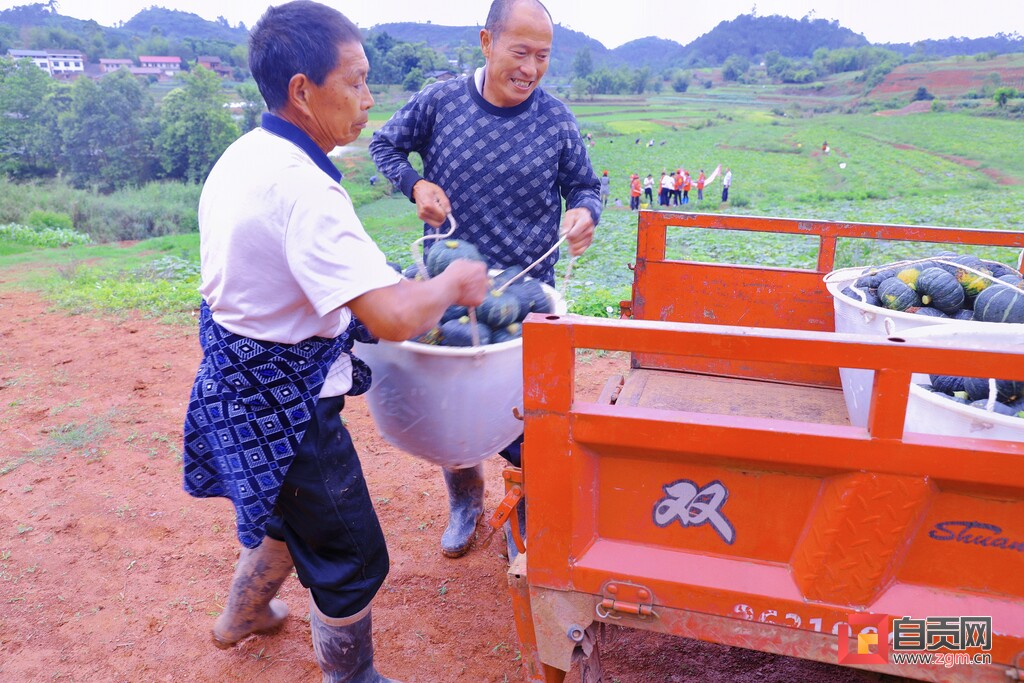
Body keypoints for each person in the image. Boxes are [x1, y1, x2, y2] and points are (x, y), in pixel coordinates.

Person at [181, 2, 489, 680]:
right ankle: (350, 674)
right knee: (350, 554)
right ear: (302, 90)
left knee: (284, 512)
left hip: (239, 380)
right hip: (290, 405)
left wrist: (396, 282)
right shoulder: (305, 191)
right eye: (355, 81)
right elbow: (388, 318)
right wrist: (450, 284)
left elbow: (321, 271)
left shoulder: (247, 153)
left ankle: (240, 616)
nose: (368, 99)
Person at [369, 0, 601, 561]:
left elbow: (586, 187)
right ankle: (465, 500)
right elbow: (384, 145)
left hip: (525, 291)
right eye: (519, 52)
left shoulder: (556, 119)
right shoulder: (441, 101)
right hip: (447, 287)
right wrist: (415, 185)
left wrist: (585, 215)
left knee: (530, 412)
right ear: (486, 42)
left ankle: (521, 505)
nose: (530, 68)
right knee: (453, 402)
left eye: (542, 56)